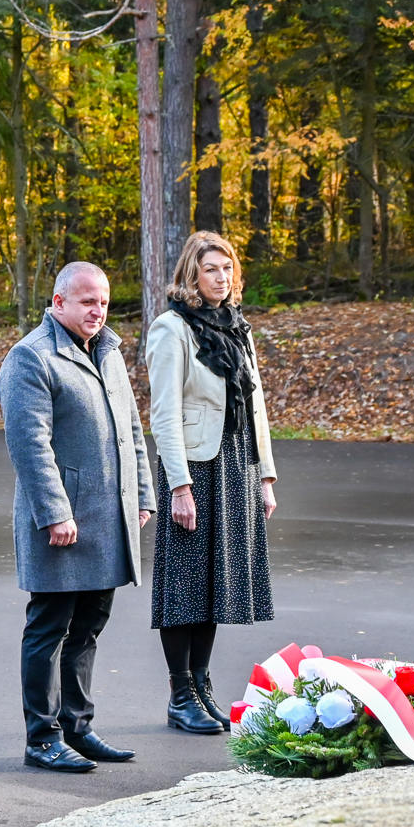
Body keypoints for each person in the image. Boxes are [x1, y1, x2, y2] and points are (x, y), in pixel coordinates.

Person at [0, 262, 156, 772]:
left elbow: (130, 429)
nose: (97, 310)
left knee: (89, 627)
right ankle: (42, 738)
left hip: (108, 519)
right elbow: (29, 446)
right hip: (63, 525)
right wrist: (54, 513)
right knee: (49, 628)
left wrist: (144, 494)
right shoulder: (32, 358)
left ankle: (78, 728)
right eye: (87, 301)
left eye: (104, 301)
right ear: (59, 301)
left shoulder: (107, 351)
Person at [144, 231, 279, 734]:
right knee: (184, 584)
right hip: (195, 467)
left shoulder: (238, 327)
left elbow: (257, 407)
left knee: (217, 584)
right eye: (210, 270)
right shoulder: (171, 328)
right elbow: (164, 414)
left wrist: (265, 475)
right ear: (191, 276)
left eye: (227, 268)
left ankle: (201, 688)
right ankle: (181, 695)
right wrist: (179, 486)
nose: (220, 278)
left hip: (237, 462)